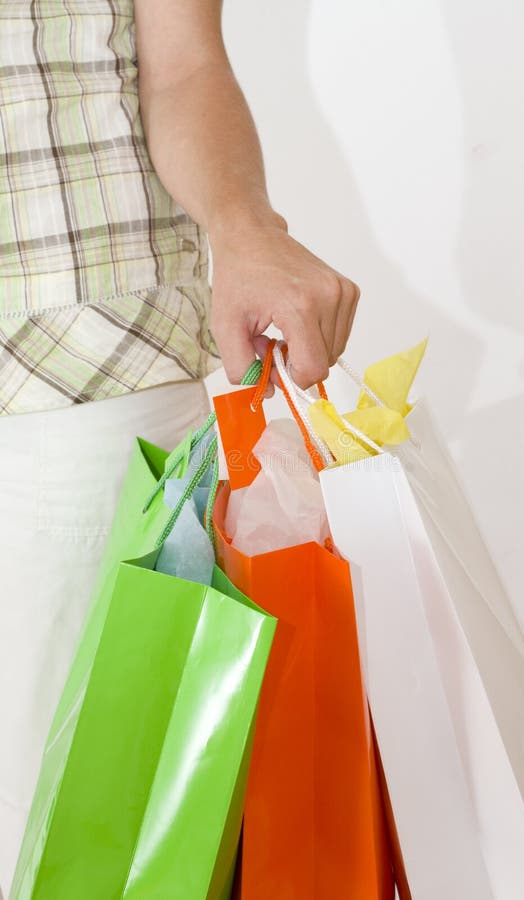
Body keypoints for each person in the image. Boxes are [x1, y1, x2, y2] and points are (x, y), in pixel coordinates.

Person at [0, 0, 360, 893]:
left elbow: (184, 62)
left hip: (83, 356)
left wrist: (246, 228)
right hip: (85, 363)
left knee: (85, 841)